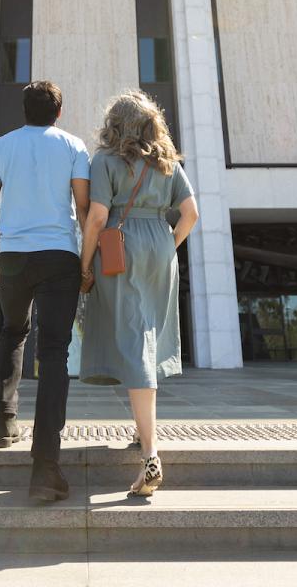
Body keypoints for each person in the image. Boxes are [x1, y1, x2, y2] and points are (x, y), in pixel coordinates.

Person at [79, 91, 198, 498]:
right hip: (161, 247)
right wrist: (167, 246)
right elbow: (191, 214)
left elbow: (96, 217)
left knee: (133, 339)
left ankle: (150, 454)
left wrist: (84, 264)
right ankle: (140, 430)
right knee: (146, 335)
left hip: (119, 247)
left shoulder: (105, 161)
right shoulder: (166, 162)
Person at [0, 81, 90, 502]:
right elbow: (82, 208)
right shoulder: (74, 146)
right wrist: (87, 260)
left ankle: (4, 424)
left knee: (12, 331)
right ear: (58, 113)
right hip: (60, 255)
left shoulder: (2, 146)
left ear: (23, 110)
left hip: (16, 257)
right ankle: (45, 467)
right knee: (55, 352)